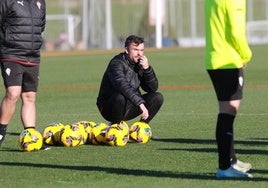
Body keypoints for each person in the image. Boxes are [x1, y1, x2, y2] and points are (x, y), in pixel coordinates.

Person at [205, 0, 253, 178]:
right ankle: (225, 167)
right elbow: (235, 30)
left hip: (214, 58)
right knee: (228, 112)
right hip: (228, 60)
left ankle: (231, 160)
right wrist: (246, 54)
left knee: (226, 111)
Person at [0, 0, 46, 146]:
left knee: (29, 96)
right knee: (13, 93)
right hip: (11, 54)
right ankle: (1, 133)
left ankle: (30, 135)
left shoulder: (40, 2)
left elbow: (41, 26)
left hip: (32, 56)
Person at [96, 35, 163, 126]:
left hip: (130, 105)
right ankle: (115, 128)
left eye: (141, 50)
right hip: (108, 107)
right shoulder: (116, 63)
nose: (139, 54)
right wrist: (141, 104)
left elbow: (152, 88)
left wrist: (147, 70)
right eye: (135, 50)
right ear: (127, 50)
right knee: (120, 97)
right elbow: (123, 86)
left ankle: (140, 129)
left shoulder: (139, 64)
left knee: (157, 97)